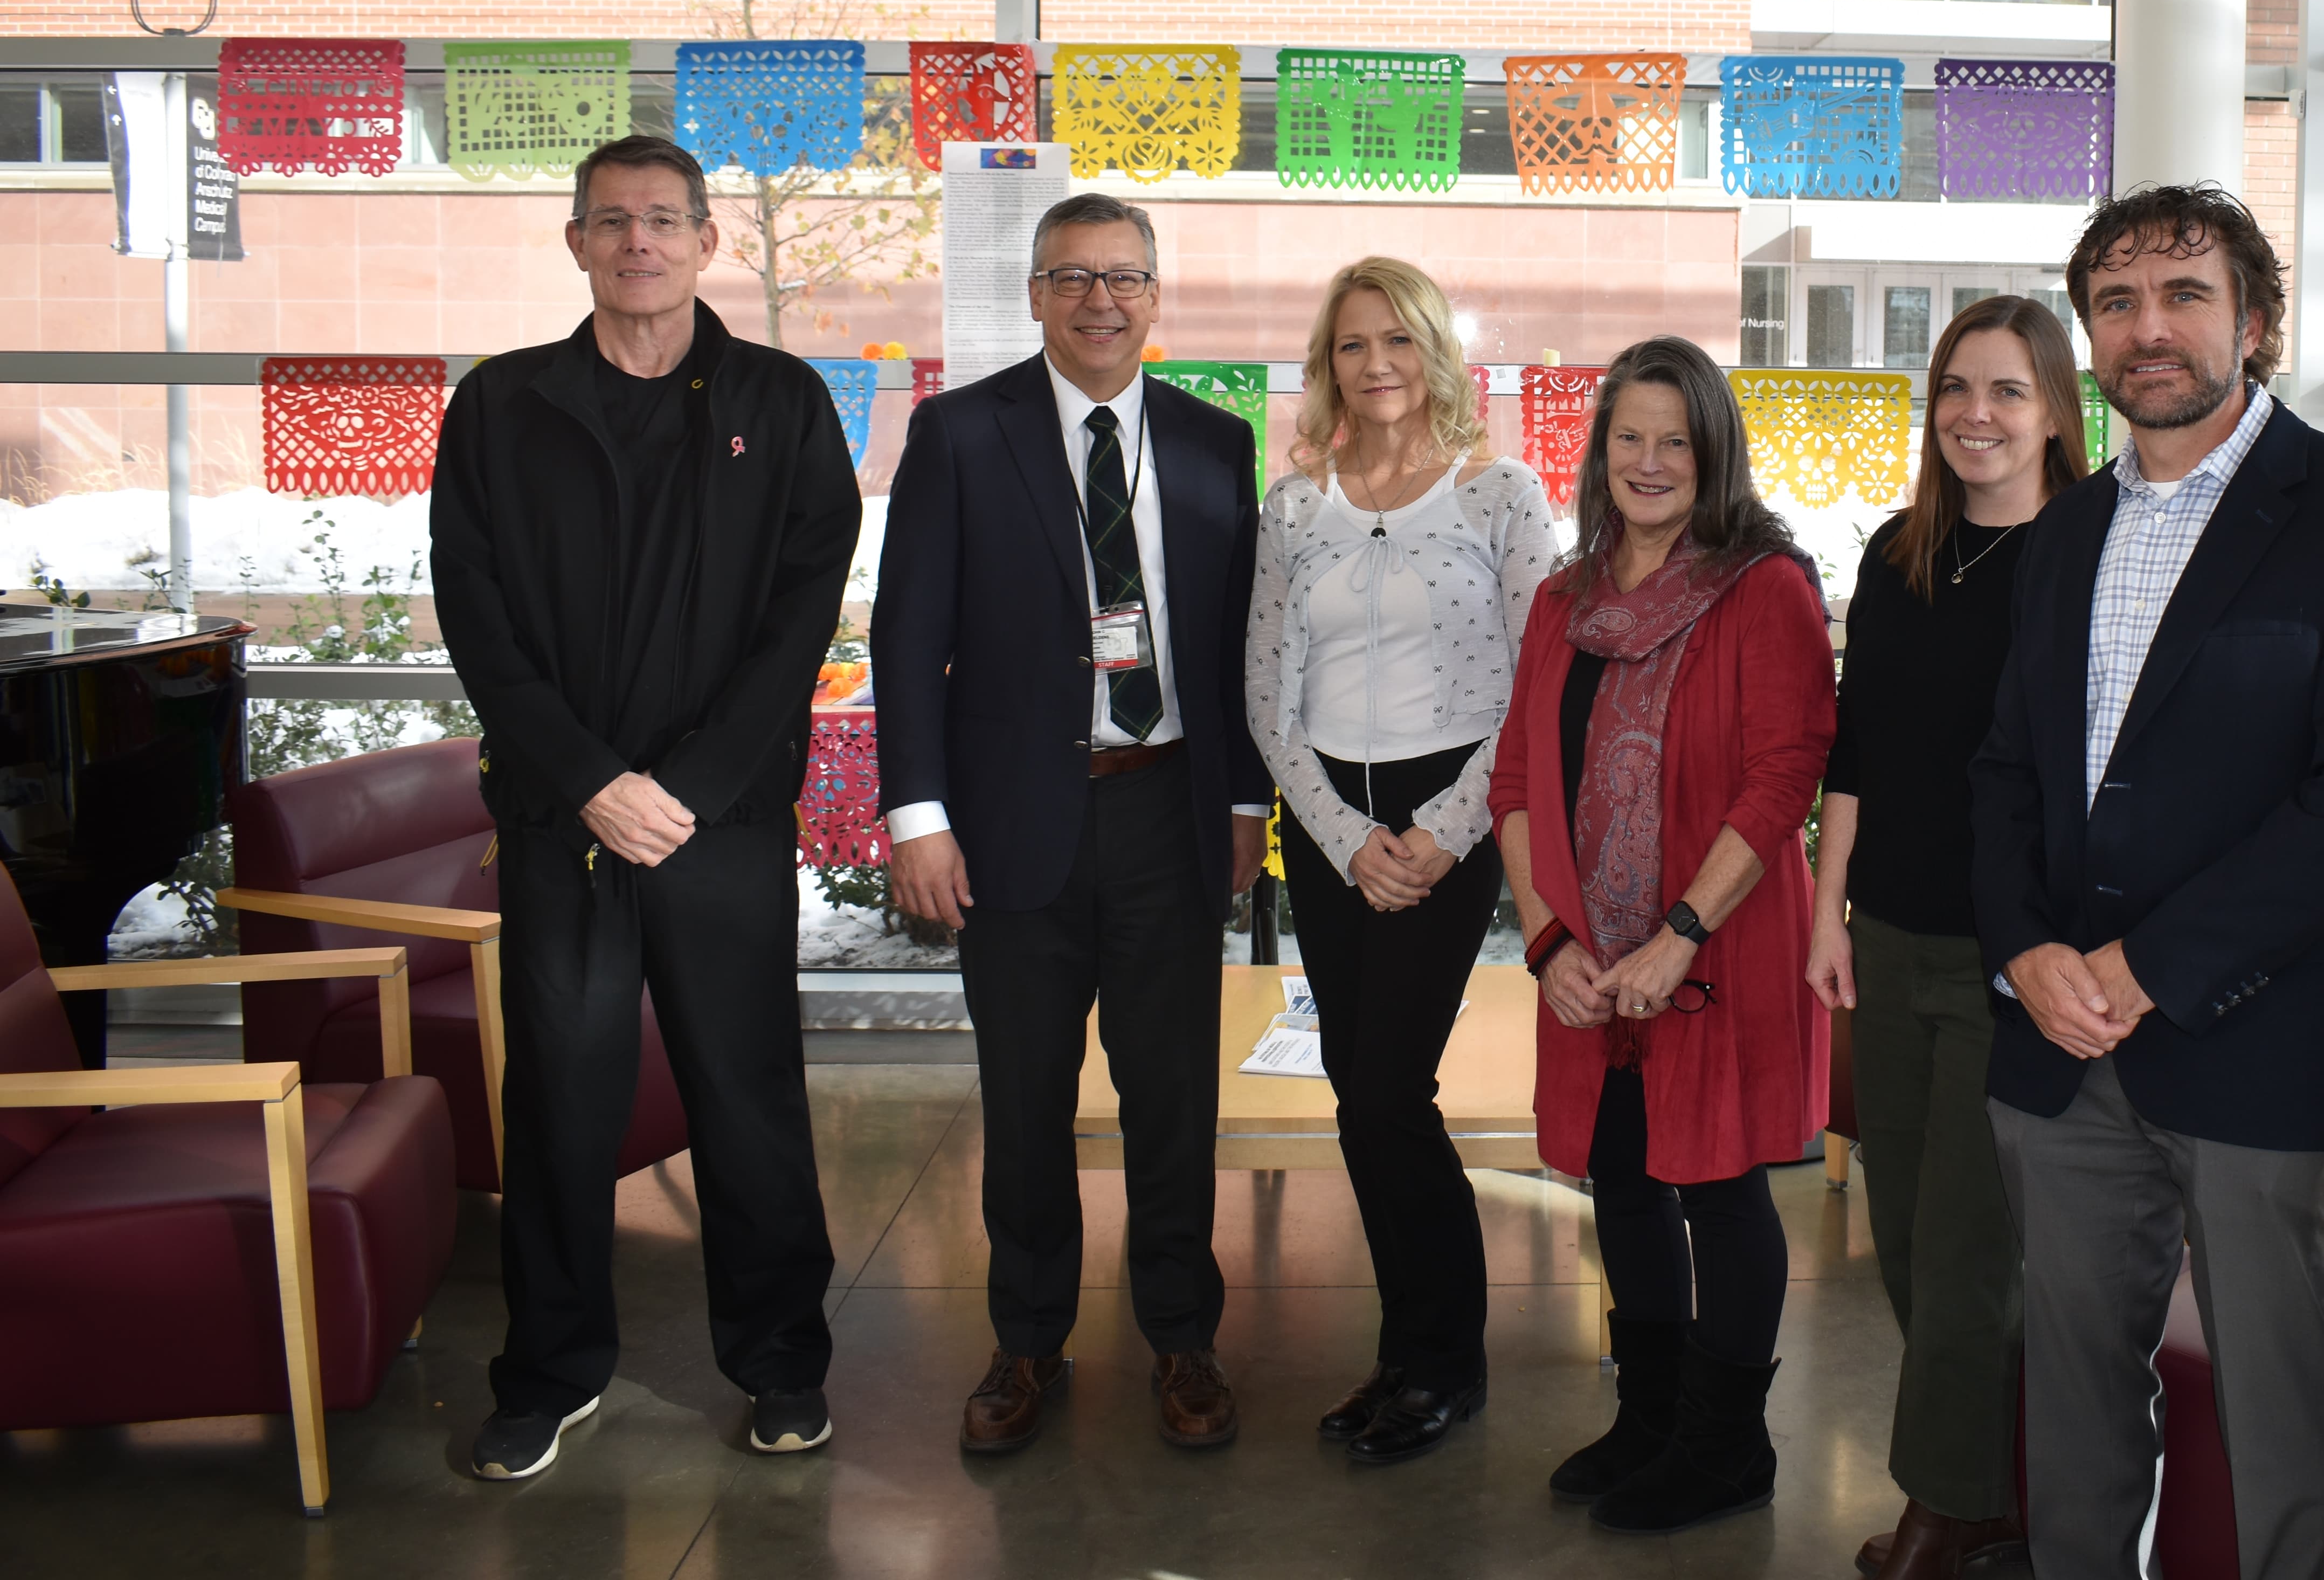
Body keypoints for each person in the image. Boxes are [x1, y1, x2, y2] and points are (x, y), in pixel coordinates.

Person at [1969, 184, 2324, 1580]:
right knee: (2070, 1385)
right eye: (2117, 302)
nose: (2151, 328)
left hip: (2257, 1036)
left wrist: (2146, 969)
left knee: (2275, 1394)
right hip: (2060, 1044)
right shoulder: (2064, 534)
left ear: (2258, 321)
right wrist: (2029, 955)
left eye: (2185, 293)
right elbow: (2004, 770)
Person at [431, 134, 861, 1480]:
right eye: (611, 221)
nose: (638, 243)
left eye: (663, 220)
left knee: (748, 1095)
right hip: (567, 823)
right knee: (560, 1097)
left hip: (717, 824)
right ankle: (550, 1370)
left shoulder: (779, 400)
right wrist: (592, 781)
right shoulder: (503, 406)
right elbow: (477, 619)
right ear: (575, 243)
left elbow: (803, 611)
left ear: (705, 240)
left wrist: (683, 786)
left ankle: (783, 1360)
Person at [872, 191, 1273, 1459]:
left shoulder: (1216, 440)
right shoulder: (958, 433)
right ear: (1036, 294)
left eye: (1125, 276)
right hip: (1011, 823)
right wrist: (919, 816)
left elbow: (1233, 645)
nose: (1102, 299)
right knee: (1027, 1097)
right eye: (1073, 276)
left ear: (1158, 295)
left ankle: (1182, 1335)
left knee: (1172, 1098)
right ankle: (1027, 1338)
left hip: (1168, 808)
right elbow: (906, 636)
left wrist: (1247, 804)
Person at [1485, 334, 1836, 1537]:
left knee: (1722, 1189)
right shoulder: (1563, 598)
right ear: (1599, 453)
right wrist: (1546, 944)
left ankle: (1730, 1446)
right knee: (1625, 1186)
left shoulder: (1764, 586)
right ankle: (1651, 1416)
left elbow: (1784, 773)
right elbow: (1517, 781)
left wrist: (1681, 931)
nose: (1648, 460)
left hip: (1716, 953)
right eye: (1628, 436)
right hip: (1588, 964)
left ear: (1713, 453)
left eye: (1674, 439)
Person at [1243, 257, 1558, 1464]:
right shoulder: (1295, 501)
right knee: (1356, 1096)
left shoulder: (1499, 493)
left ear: (1437, 352)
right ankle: (1407, 1348)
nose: (1375, 364)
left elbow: (1538, 687)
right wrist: (1340, 835)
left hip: (1449, 821)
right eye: (1350, 345)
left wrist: (1437, 834)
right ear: (1327, 366)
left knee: (1389, 1093)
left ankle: (1446, 1358)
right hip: (1333, 825)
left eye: (1396, 340)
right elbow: (1267, 693)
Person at [1809, 295, 2087, 1580]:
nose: (1978, 413)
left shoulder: (2087, 555)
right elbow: (1854, 745)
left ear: (2054, 412)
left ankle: (1950, 1502)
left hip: (2010, 960)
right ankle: (2004, 1467)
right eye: (1956, 388)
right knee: (1912, 1238)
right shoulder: (1898, 550)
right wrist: (1828, 909)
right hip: (1891, 937)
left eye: (2009, 390)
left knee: (1974, 1244)